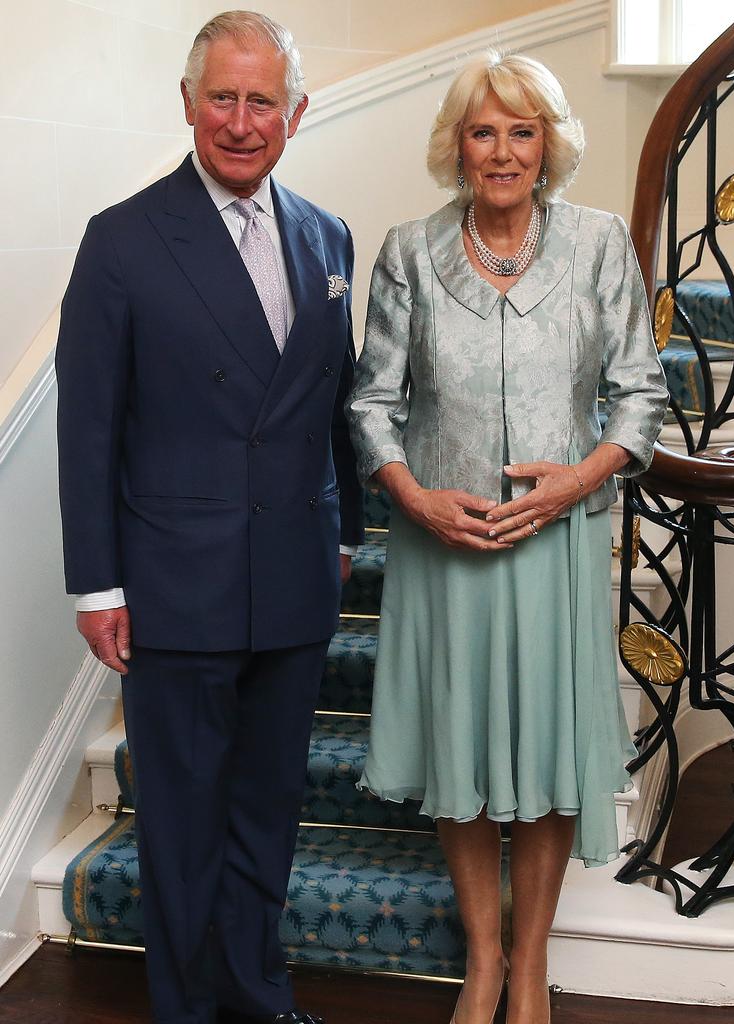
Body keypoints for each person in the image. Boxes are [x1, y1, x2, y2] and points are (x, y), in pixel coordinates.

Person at [346, 51, 667, 1024]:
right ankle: (482, 958)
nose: (502, 150)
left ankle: (530, 964)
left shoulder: (602, 242)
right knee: (463, 751)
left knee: (550, 752)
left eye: (522, 131)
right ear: (458, 144)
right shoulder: (408, 250)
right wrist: (411, 494)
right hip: (445, 547)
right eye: (483, 131)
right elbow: (370, 402)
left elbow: (641, 396)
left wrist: (577, 480)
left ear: (549, 144)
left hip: (556, 544)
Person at [56, 11, 363, 1024]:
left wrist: (348, 528)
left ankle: (257, 995)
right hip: (173, 582)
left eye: (261, 100)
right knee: (182, 823)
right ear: (188, 104)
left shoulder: (328, 236)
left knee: (268, 809)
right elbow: (90, 426)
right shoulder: (123, 240)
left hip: (292, 573)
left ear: (296, 112)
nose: (240, 120)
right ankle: (186, 1010)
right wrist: (97, 584)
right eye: (221, 98)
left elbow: (333, 395)